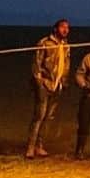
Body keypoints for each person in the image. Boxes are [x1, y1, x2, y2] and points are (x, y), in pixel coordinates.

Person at [26, 19, 71, 159]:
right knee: (39, 116)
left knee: (48, 117)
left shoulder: (66, 46)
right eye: (62, 27)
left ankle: (40, 146)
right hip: (45, 84)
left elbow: (66, 64)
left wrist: (64, 81)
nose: (65, 30)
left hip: (57, 85)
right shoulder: (45, 43)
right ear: (55, 28)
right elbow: (36, 64)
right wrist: (39, 82)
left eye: (67, 28)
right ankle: (30, 147)